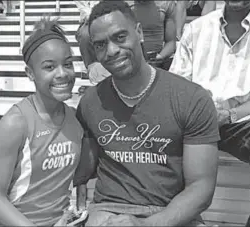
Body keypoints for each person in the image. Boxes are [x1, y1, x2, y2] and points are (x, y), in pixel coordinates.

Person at [73, 1, 220, 226]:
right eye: (101, 45)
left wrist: (145, 224)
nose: (112, 51)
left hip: (171, 212)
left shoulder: (191, 98)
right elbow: (80, 171)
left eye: (120, 37)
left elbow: (201, 188)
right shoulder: (91, 102)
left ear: (139, 32)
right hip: (108, 212)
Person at [169, 1, 250, 226]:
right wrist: (199, 106)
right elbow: (176, 84)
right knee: (158, 126)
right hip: (195, 116)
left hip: (242, 120)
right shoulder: (196, 28)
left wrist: (229, 115)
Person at [0, 17, 84, 227]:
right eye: (49, 67)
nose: (62, 74)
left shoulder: (76, 118)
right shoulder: (16, 123)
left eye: (67, 64)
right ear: (30, 73)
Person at [130, 0, 177, 70]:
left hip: (157, 62)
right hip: (130, 60)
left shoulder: (166, 3)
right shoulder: (123, 5)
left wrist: (159, 57)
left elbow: (171, 42)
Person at [74, 0, 111, 85]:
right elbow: (84, 11)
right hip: (87, 22)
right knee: (84, 35)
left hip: (106, 19)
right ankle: (91, 70)